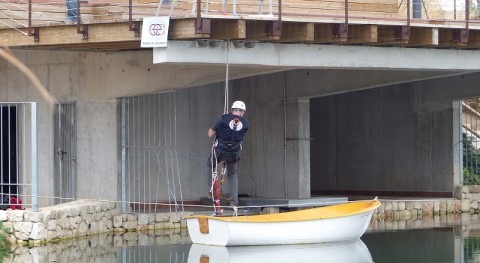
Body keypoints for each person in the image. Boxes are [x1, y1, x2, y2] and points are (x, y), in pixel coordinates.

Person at [207, 101, 249, 207]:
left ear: (231, 109)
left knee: (210, 166)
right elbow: (236, 133)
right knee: (232, 174)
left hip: (219, 151)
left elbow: (210, 134)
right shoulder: (246, 124)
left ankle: (213, 192)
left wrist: (220, 126)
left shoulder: (221, 118)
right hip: (233, 153)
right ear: (242, 112)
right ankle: (234, 202)